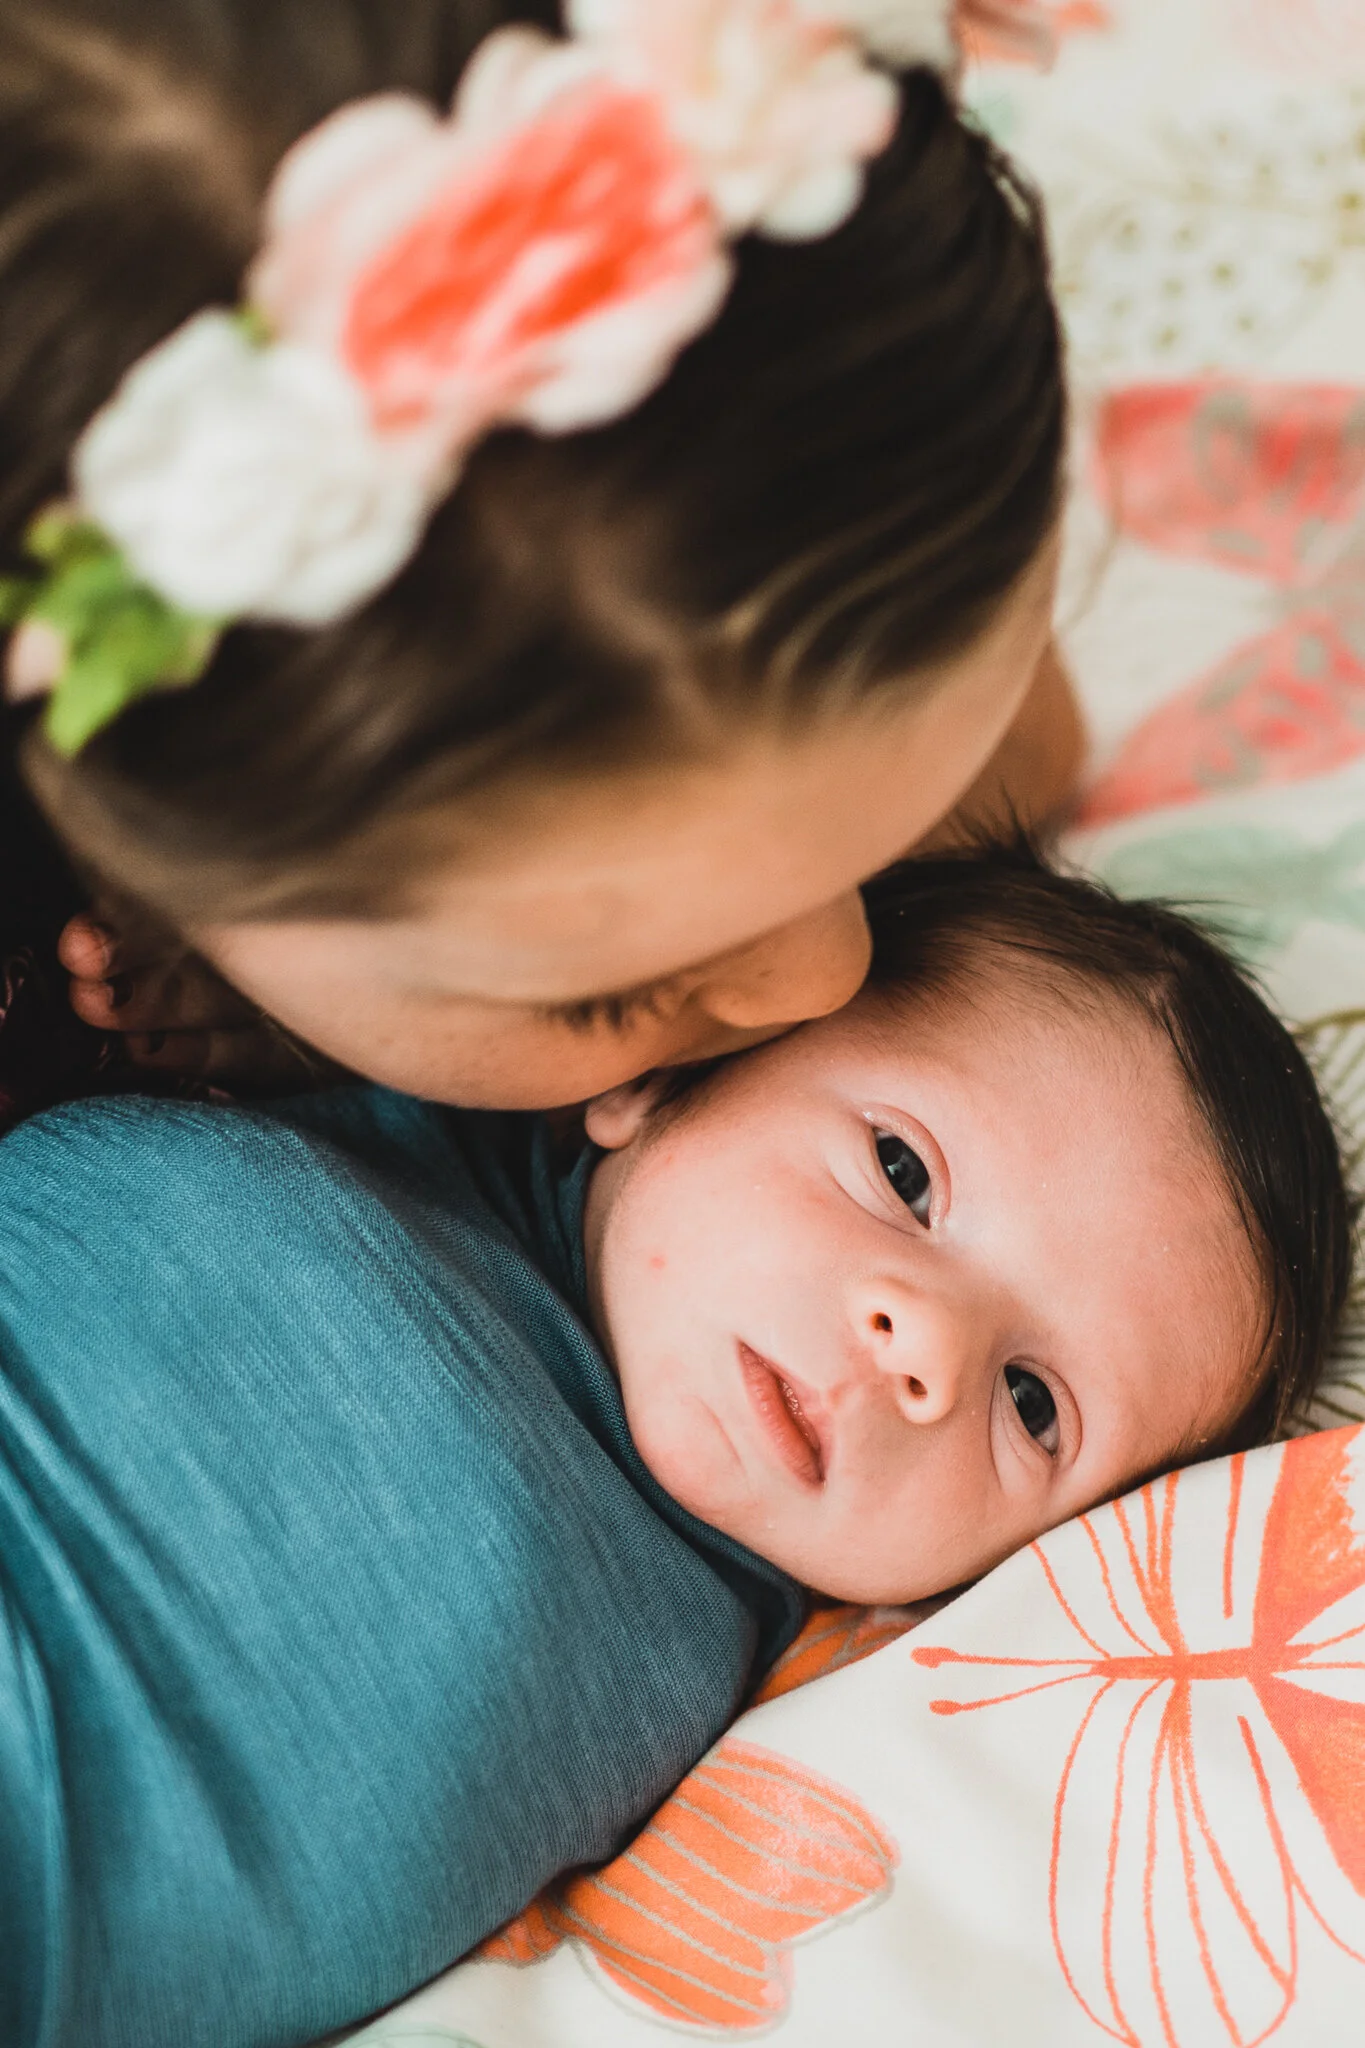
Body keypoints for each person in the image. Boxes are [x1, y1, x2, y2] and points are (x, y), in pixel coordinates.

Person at [0, 845, 1349, 2048]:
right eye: (901, 1172)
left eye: (1035, 1403)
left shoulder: (787, 1686)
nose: (922, 1348)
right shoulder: (408, 1078)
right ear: (659, 1071)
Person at [0, 0, 1079, 1112]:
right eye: (609, 997)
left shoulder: (816, 500)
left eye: (894, 830)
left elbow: (1037, 749)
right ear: (139, 832)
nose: (831, 983)